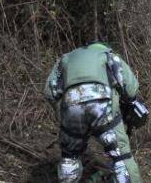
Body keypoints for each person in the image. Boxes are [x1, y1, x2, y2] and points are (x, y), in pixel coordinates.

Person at [44, 41, 144, 183]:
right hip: (102, 107)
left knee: (69, 158)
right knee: (121, 157)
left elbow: (49, 93)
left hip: (71, 106)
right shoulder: (108, 55)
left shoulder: (66, 59)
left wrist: (65, 115)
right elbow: (131, 88)